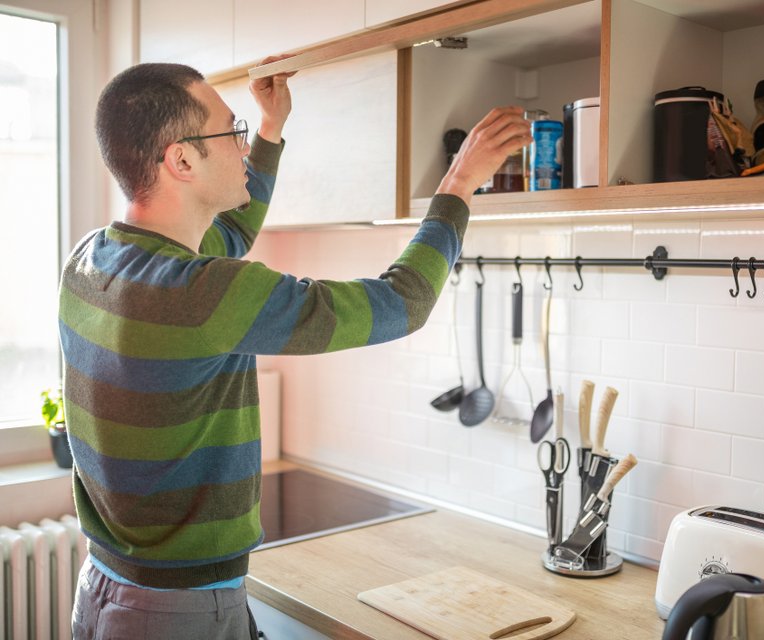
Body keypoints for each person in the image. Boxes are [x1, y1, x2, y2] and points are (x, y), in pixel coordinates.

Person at [59, 55, 531, 639]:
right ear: (181, 159)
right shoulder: (203, 294)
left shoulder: (93, 257)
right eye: (229, 131)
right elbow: (401, 303)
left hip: (106, 588)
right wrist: (459, 184)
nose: (238, 143)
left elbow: (230, 233)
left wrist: (269, 129)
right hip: (174, 612)